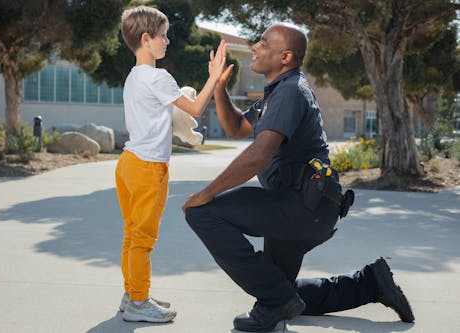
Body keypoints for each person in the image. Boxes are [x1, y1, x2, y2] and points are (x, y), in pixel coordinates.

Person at [182, 23, 414, 332]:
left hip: (302, 205)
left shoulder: (290, 91)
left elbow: (259, 154)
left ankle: (276, 301)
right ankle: (371, 283)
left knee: (203, 213)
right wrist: (219, 88)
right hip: (306, 206)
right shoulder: (278, 92)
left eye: (264, 44)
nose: (255, 47)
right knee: (285, 291)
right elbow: (236, 128)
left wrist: (206, 193)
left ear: (286, 57)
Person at [115, 5, 226, 323]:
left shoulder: (134, 77)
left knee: (131, 235)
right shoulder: (158, 76)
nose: (168, 42)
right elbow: (195, 107)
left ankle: (132, 294)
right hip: (149, 167)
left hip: (128, 163)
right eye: (163, 36)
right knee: (143, 239)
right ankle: (138, 301)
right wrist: (214, 77)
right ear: (146, 39)